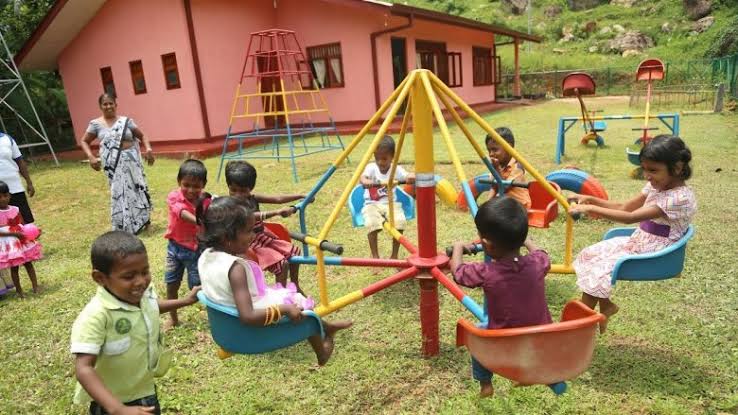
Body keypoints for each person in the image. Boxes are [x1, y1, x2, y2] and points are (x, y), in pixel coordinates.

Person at [198, 197, 352, 365]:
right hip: (248, 331)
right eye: (248, 231)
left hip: (227, 327)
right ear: (226, 236)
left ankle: (327, 328)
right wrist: (285, 309)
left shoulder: (205, 256)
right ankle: (322, 352)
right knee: (300, 304)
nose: (253, 236)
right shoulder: (236, 269)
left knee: (286, 295)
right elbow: (248, 316)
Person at [569, 135, 696, 333]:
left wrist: (589, 208)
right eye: (644, 169)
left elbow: (629, 217)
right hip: (639, 240)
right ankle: (606, 305)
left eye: (653, 170)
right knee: (589, 254)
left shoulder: (679, 198)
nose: (647, 175)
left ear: (678, 168)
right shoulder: (656, 186)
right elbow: (625, 207)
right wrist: (590, 199)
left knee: (600, 267)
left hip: (657, 251)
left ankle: (578, 327)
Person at [71, 231, 200, 415]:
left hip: (145, 391)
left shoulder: (141, 295)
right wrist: (118, 409)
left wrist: (185, 301)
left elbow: (152, 307)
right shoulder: (96, 315)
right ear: (100, 278)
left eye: (145, 272)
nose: (140, 281)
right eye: (129, 276)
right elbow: (83, 368)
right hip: (112, 402)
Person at [450, 197, 552, 397]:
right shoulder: (537, 263)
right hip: (540, 338)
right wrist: (527, 241)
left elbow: (459, 272)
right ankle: (530, 373)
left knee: (478, 334)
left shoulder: (487, 272)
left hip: (503, 342)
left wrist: (458, 248)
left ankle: (485, 383)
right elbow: (542, 253)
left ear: (487, 245)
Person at [224, 161, 306, 292]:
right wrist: (276, 212)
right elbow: (250, 216)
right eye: (233, 190)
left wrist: (301, 196)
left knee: (295, 252)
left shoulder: (253, 198)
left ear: (250, 189)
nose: (237, 195)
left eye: (243, 191)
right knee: (282, 264)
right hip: (248, 244)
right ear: (228, 187)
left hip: (263, 237)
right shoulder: (230, 205)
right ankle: (281, 294)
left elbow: (277, 199)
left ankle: (295, 285)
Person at [80, 93, 154, 235]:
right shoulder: (95, 124)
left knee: (138, 188)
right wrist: (91, 157)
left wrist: (149, 149)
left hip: (132, 162)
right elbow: (84, 141)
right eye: (105, 104)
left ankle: (146, 221)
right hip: (112, 165)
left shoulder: (126, 121)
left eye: (111, 103)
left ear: (116, 104)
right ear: (100, 106)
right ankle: (124, 223)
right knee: (119, 192)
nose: (108, 106)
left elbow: (142, 136)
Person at [164, 159, 210, 328]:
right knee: (171, 284)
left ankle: (213, 316)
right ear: (179, 182)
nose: (191, 190)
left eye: (196, 186)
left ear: (203, 185)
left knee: (198, 287)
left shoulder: (206, 201)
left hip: (196, 250)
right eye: (186, 185)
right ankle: (173, 319)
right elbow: (181, 212)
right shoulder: (174, 196)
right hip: (174, 248)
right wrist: (201, 222)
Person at [359, 135, 415, 259]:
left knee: (400, 222)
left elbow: (407, 176)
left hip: (391, 203)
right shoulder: (371, 168)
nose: (380, 162)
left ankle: (394, 255)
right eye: (377, 158)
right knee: (372, 223)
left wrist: (411, 177)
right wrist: (366, 181)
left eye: (384, 159)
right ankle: (375, 256)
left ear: (392, 156)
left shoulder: (396, 169)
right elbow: (363, 178)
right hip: (372, 204)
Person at [0, 180, 41, 298]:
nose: (3, 199)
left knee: (28, 264)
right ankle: (19, 291)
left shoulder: (15, 209)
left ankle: (35, 286)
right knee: (14, 268)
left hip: (21, 241)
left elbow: (22, 225)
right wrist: (13, 235)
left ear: (10, 195)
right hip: (10, 245)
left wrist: (34, 233)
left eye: (5, 195)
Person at [484, 127, 531, 209]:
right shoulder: (498, 165)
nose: (491, 154)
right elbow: (494, 186)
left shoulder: (517, 167)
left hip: (519, 207)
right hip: (505, 205)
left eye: (495, 150)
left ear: (508, 147)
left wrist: (496, 169)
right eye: (489, 150)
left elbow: (504, 187)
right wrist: (486, 205)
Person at [0, 131, 36, 224]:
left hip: (15, 188)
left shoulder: (7, 139)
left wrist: (29, 182)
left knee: (25, 222)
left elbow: (20, 161)